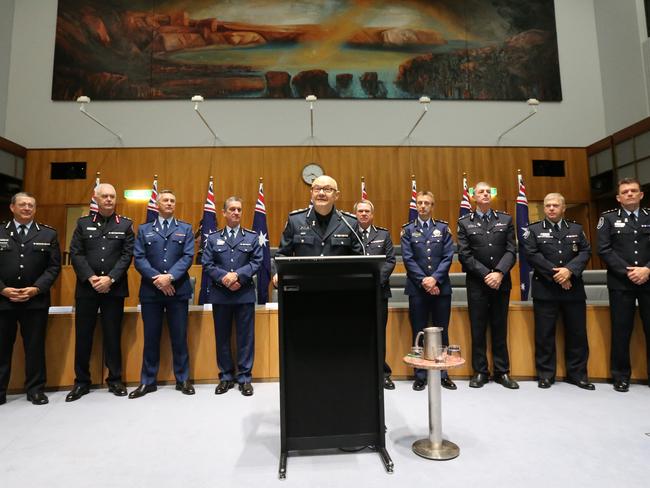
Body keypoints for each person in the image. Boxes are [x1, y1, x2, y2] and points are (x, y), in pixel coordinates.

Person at [66, 183, 134, 402]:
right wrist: (91, 277)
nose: (108, 200)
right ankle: (81, 382)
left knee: (112, 335)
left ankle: (115, 379)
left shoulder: (125, 225)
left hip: (113, 290)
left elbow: (127, 255)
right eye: (104, 196)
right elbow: (76, 253)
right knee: (83, 335)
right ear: (95, 197)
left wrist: (110, 278)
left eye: (112, 196)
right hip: (87, 288)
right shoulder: (83, 223)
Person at [523, 193, 594, 390]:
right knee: (545, 334)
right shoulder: (534, 230)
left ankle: (578, 375)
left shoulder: (576, 228)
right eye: (548, 206)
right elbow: (531, 254)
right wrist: (558, 275)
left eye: (555, 205)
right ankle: (545, 374)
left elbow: (585, 252)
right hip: (545, 289)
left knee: (577, 334)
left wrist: (569, 271)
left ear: (563, 208)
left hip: (573, 289)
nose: (551, 208)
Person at [129, 190, 195, 399]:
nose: (169, 203)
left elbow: (187, 256)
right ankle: (148, 381)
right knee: (151, 338)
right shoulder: (144, 229)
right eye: (165, 200)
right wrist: (158, 280)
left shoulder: (185, 228)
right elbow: (139, 258)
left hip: (177, 290)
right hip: (151, 291)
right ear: (157, 205)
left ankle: (183, 379)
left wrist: (170, 278)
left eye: (172, 201)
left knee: (179, 337)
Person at [0, 193, 61, 406]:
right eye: (22, 204)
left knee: (35, 347)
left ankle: (35, 390)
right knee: (2, 348)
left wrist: (36, 288)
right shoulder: (0, 231)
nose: (27, 208)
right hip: (3, 301)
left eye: (31, 205)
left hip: (35, 301)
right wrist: (3, 289)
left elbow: (54, 267)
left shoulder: (47, 233)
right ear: (12, 207)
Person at [457, 181, 518, 389]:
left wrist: (499, 273)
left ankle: (502, 372)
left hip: (501, 283)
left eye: (487, 191)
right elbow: (465, 255)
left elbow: (511, 250)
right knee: (478, 328)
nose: (484, 194)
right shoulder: (465, 222)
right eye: (480, 192)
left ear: (491, 196)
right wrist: (487, 275)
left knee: (500, 328)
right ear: (473, 197)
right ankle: (480, 371)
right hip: (477, 284)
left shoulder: (506, 219)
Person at [203, 197, 262, 396]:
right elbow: (208, 264)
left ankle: (245, 378)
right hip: (221, 294)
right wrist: (225, 278)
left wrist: (237, 276)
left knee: (245, 338)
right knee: (222, 337)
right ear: (224, 212)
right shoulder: (212, 238)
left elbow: (256, 262)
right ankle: (226, 377)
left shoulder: (252, 237)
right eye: (232, 209)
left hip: (243, 293)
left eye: (239, 209)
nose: (236, 212)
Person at [597, 177, 650, 392]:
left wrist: (647, 269)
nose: (630, 194)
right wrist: (629, 272)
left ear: (641, 194)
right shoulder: (607, 219)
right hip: (621, 283)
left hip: (648, 280)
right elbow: (604, 249)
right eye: (625, 192)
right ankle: (620, 376)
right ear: (618, 198)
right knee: (621, 330)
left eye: (633, 190)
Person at [401, 191, 456, 391]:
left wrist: (435, 279)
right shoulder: (407, 230)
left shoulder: (443, 228)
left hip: (441, 288)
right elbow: (408, 259)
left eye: (427, 203)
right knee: (418, 332)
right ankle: (420, 374)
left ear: (432, 206)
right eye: (420, 203)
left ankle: (443, 373)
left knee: (443, 331)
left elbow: (448, 256)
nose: (423, 206)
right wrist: (424, 281)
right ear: (416, 205)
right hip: (417, 289)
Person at [272, 175, 362, 286]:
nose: (321, 193)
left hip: (339, 287)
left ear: (336, 195)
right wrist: (279, 272)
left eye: (327, 189)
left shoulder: (349, 222)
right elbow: (282, 254)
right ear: (311, 193)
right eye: (317, 189)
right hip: (304, 287)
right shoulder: (295, 220)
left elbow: (359, 259)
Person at [354, 199, 396, 389]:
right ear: (355, 214)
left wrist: (375, 280)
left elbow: (390, 261)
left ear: (372, 214)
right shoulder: (349, 234)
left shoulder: (383, 234)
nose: (363, 214)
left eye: (367, 211)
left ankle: (382, 373)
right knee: (357, 333)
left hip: (379, 292)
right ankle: (360, 371)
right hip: (356, 292)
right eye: (360, 211)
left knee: (379, 334)